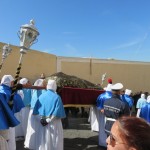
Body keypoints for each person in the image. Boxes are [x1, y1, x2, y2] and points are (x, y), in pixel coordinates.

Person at [33, 79, 66, 150]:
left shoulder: (41, 96)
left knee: (43, 140)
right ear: (55, 86)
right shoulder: (57, 97)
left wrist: (42, 120)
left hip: (42, 122)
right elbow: (57, 111)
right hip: (54, 123)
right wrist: (49, 120)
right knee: (54, 140)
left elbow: (35, 111)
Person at [24, 78, 46, 149]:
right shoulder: (44, 92)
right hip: (39, 111)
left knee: (32, 128)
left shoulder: (34, 91)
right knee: (39, 128)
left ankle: (31, 142)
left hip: (32, 110)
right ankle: (39, 143)